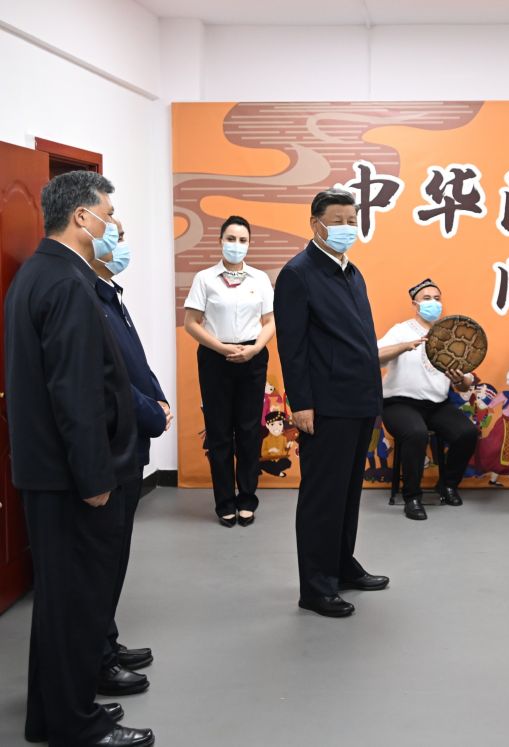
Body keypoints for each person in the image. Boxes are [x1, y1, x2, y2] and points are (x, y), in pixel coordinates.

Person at [4, 170, 153, 746]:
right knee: (75, 602)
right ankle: (75, 725)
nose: (113, 224)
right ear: (82, 216)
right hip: (72, 478)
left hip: (48, 471)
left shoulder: (42, 272)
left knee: (62, 600)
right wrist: (95, 478)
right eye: (108, 214)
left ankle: (51, 714)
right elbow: (75, 392)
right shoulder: (66, 283)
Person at [274, 188, 389, 618]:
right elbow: (292, 346)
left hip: (359, 399)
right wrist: (301, 402)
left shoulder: (352, 271)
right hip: (325, 404)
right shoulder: (298, 274)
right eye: (337, 221)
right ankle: (315, 586)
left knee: (349, 492)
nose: (346, 228)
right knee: (323, 496)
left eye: (351, 220)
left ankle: (342, 564)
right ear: (315, 223)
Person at [88, 218, 172, 700]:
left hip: (130, 441)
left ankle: (108, 642)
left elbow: (135, 365)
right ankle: (98, 659)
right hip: (113, 443)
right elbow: (110, 379)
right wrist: (153, 412)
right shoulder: (85, 296)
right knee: (102, 561)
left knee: (116, 556)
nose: (121, 245)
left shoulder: (109, 294)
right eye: (115, 234)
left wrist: (158, 399)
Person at [183, 215, 275, 527]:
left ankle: (247, 499)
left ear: (249, 244)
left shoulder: (259, 279)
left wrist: (254, 349)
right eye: (231, 239)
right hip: (214, 357)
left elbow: (270, 322)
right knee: (219, 431)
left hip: (252, 356)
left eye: (243, 240)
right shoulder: (205, 279)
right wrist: (222, 349)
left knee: (249, 431)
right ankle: (224, 501)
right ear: (220, 241)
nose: (237, 245)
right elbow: (191, 323)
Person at [377, 279, 479, 520]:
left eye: (437, 298)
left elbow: (464, 383)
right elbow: (375, 356)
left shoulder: (451, 334)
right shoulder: (401, 330)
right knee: (416, 433)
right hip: (399, 403)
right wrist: (404, 346)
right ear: (415, 304)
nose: (433, 303)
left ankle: (447, 485)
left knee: (467, 433)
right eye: (427, 298)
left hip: (436, 405)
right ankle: (412, 497)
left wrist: (459, 379)